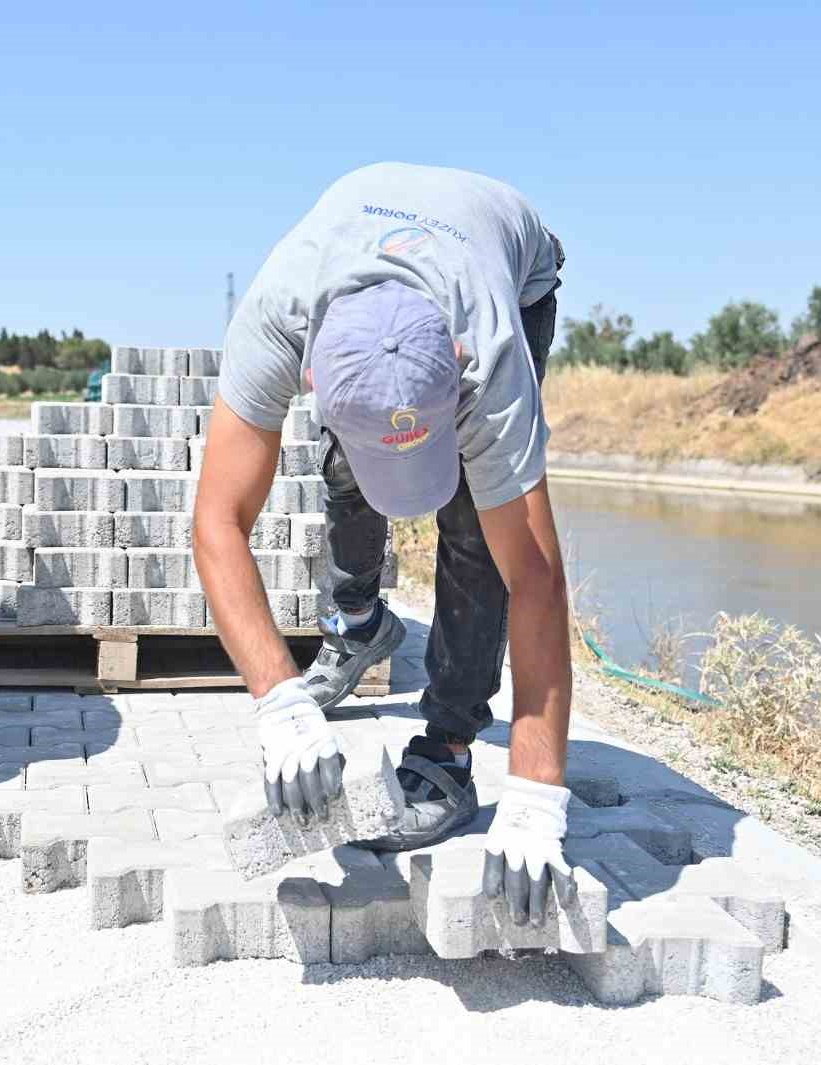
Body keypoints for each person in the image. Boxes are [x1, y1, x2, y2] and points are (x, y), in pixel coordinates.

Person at [194, 163, 574, 925]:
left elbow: (536, 578)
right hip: (373, 284)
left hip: (511, 270)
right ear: (309, 379)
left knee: (474, 523)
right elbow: (216, 521)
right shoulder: (277, 314)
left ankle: (450, 749)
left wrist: (536, 793)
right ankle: (358, 621)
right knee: (346, 467)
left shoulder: (488, 353)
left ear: (459, 371)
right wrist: (277, 697)